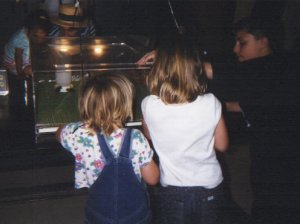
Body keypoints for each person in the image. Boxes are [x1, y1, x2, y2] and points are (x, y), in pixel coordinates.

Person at [210, 16, 300, 224]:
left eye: (242, 43)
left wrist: (179, 61)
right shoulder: (268, 71)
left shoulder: (274, 66)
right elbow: (250, 101)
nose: (236, 49)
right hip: (266, 155)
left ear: (263, 41)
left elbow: (232, 75)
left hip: (282, 159)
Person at [141, 34, 229, 224]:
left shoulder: (148, 104)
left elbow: (148, 135)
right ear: (196, 68)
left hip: (172, 190)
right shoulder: (211, 102)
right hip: (210, 186)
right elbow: (222, 145)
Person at [56, 74, 160, 224]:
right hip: (134, 214)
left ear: (85, 104)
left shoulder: (77, 134)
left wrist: (78, 126)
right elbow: (153, 179)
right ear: (125, 105)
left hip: (98, 213)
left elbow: (59, 132)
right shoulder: (135, 138)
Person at [2, 9, 51, 110]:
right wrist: (20, 74)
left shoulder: (30, 34)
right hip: (13, 64)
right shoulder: (20, 39)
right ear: (28, 31)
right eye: (36, 36)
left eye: (43, 37)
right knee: (32, 70)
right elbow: (18, 57)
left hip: (24, 58)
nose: (39, 40)